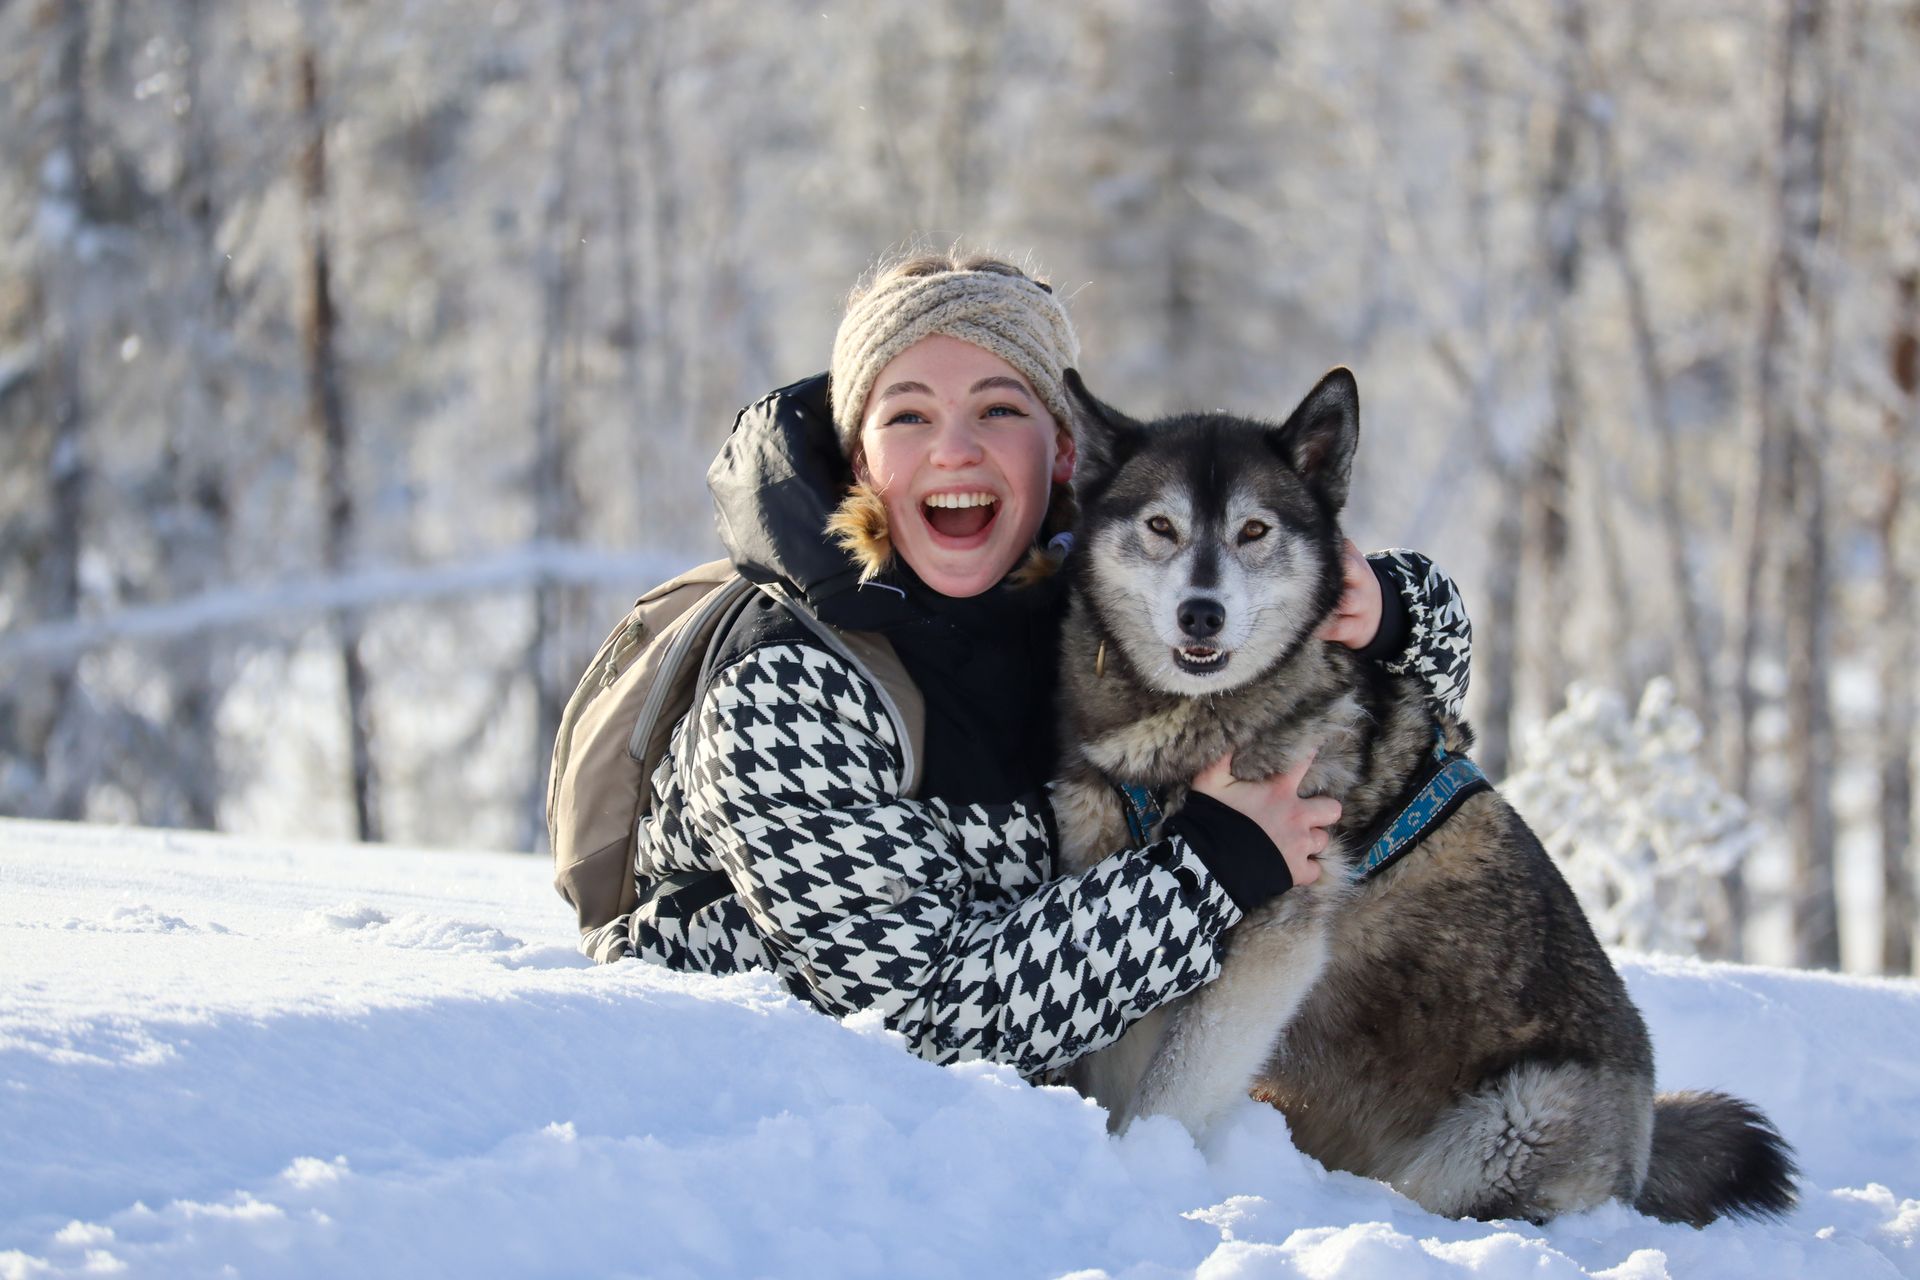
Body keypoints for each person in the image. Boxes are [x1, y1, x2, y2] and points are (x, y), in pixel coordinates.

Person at [599, 251, 1472, 1080]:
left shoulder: (1092, 599)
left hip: (1014, 1129)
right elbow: (914, 1019)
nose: (954, 450)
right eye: (907, 415)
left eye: (999, 409)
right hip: (759, 1134)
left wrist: (1388, 611)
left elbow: (1418, 707)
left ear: (1064, 451)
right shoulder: (786, 688)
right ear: (861, 456)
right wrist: (1209, 870)